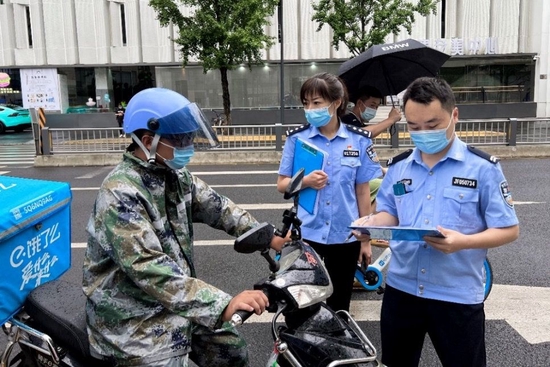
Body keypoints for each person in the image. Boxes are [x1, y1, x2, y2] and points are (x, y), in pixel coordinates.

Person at [83, 87, 288, 367]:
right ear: (147, 141)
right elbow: (150, 268)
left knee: (231, 350)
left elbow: (219, 208)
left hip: (175, 302)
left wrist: (272, 238)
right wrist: (223, 304)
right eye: (180, 139)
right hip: (131, 318)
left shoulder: (175, 176)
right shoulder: (120, 193)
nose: (188, 145)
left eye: (190, 137)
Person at [351, 77, 519, 367]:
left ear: (454, 115)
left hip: (456, 294)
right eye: (414, 127)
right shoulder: (400, 166)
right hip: (402, 291)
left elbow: (509, 229)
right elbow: (390, 212)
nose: (423, 133)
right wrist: (369, 223)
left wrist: (462, 242)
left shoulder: (482, 168)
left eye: (432, 125)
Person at [277, 72, 383, 313]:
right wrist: (305, 181)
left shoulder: (359, 141)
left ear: (336, 103)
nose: (310, 109)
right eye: (306, 103)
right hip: (307, 234)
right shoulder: (297, 140)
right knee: (302, 302)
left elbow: (363, 192)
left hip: (345, 236)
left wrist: (365, 240)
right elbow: (282, 184)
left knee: (340, 303)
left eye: (317, 103)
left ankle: (337, 346)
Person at [342, 86, 401, 213]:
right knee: (385, 186)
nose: (374, 110)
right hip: (351, 176)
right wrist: (390, 120)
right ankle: (370, 219)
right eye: (372, 105)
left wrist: (384, 170)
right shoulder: (347, 120)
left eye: (377, 106)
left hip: (360, 173)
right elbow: (365, 133)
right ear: (359, 103)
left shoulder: (359, 122)